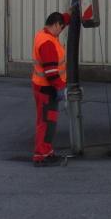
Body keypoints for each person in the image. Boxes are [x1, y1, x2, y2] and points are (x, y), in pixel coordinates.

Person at [31, 11, 71, 166]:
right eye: (61, 28)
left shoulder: (44, 34)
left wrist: (70, 14)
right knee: (45, 123)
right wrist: (61, 88)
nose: (61, 31)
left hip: (45, 88)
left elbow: (62, 20)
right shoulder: (47, 43)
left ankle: (47, 151)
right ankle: (40, 156)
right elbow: (51, 72)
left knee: (49, 122)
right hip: (46, 89)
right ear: (55, 25)